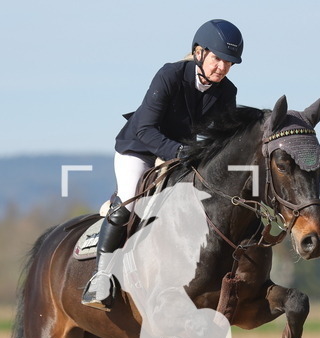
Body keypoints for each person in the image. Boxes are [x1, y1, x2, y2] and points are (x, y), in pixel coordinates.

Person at [82, 18, 244, 311]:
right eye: (218, 58)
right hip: (139, 149)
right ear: (199, 52)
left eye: (229, 63)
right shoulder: (170, 75)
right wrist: (179, 151)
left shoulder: (227, 93)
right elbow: (145, 129)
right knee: (129, 204)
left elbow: (221, 141)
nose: (222, 67)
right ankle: (101, 278)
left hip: (180, 156)